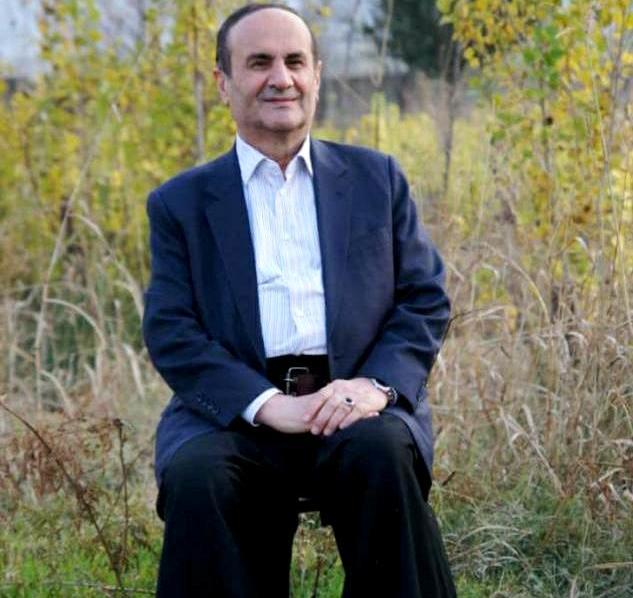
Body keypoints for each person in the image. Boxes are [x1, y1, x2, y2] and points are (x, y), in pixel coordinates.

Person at [143, 3, 456, 597]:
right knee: (200, 475)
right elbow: (171, 330)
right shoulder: (180, 203)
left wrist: (374, 387)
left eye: (294, 61)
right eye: (258, 62)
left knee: (381, 452)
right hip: (237, 412)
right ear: (224, 82)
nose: (280, 78)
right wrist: (265, 405)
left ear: (316, 74)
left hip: (353, 402)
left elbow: (423, 298)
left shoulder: (377, 179)